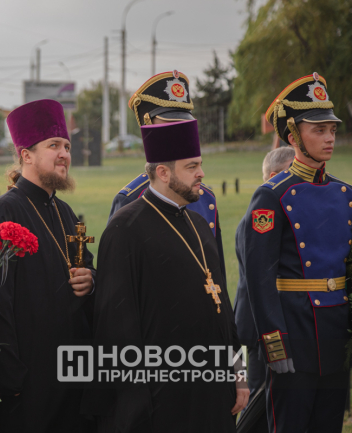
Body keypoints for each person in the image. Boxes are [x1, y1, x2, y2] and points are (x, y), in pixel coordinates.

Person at [85, 119, 248, 433]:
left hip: (215, 389)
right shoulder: (125, 228)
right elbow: (116, 326)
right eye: (192, 167)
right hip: (162, 396)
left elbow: (223, 307)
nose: (201, 173)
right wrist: (134, 402)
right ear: (163, 172)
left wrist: (239, 372)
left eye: (200, 165)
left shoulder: (199, 226)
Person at [0, 99, 96, 432]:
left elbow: (87, 269)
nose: (64, 154)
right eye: (53, 145)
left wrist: (91, 280)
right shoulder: (3, 213)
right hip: (29, 382)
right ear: (26, 155)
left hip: (72, 373)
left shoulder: (65, 211)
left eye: (67, 146)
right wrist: (10, 375)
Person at [242, 73, 351, 433]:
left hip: (337, 335)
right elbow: (259, 280)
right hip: (294, 335)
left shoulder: (345, 194)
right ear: (293, 137)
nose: (330, 138)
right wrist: (275, 346)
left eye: (332, 129)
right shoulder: (271, 196)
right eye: (319, 130)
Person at [108, 70, 226, 278]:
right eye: (171, 124)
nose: (181, 132)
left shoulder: (206, 197)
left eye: (185, 124)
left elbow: (217, 274)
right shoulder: (130, 198)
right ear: (148, 128)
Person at [233, 146, 294, 415]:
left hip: (271, 322)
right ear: (272, 177)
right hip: (262, 327)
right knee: (260, 403)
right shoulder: (258, 218)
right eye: (291, 172)